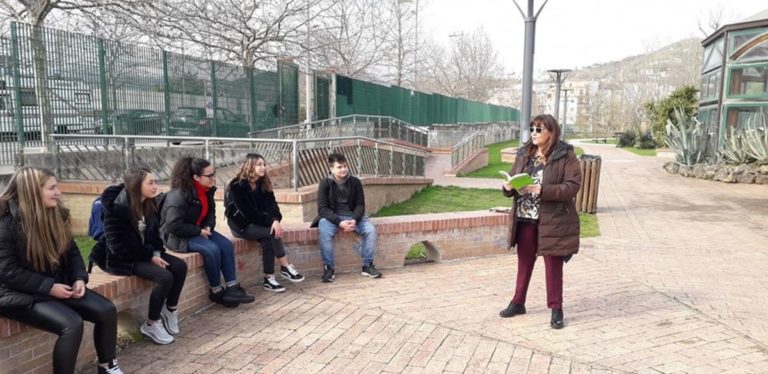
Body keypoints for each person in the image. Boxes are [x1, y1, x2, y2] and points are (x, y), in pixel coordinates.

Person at [0, 167, 122, 374]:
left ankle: (107, 366)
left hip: (54, 285)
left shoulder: (56, 215)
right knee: (71, 325)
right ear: (32, 192)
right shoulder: (6, 225)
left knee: (106, 310)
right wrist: (49, 288)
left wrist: (78, 278)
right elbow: (7, 272)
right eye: (52, 188)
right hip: (18, 293)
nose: (58, 193)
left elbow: (72, 252)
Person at [499, 114, 581, 329]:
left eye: (538, 129)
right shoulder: (525, 153)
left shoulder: (566, 155)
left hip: (552, 219)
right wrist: (508, 187)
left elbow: (572, 186)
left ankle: (556, 308)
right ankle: (518, 302)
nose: (533, 133)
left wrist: (544, 190)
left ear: (551, 133)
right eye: (532, 129)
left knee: (553, 265)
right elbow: (512, 176)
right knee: (524, 261)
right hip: (525, 216)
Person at [91, 167, 188, 345]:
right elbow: (119, 247)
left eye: (155, 182)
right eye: (150, 183)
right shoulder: (115, 209)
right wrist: (150, 255)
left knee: (180, 266)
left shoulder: (149, 204)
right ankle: (152, 323)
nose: (155, 186)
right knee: (164, 277)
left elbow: (155, 236)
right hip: (120, 259)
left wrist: (156, 252)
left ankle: (170, 309)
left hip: (143, 253)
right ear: (136, 186)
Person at [160, 157, 254, 308]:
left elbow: (210, 213)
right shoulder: (179, 195)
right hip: (177, 235)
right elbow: (172, 226)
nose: (213, 178)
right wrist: (198, 231)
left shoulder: (207, 190)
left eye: (214, 174)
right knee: (212, 250)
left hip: (198, 230)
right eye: (209, 176)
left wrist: (209, 226)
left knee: (226, 245)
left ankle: (232, 287)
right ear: (196, 177)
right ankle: (216, 291)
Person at [225, 153, 304, 293]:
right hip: (241, 226)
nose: (263, 167)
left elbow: (272, 206)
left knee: (268, 240)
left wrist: (275, 220)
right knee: (272, 233)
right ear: (250, 166)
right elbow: (248, 213)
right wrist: (271, 222)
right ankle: (285, 266)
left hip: (258, 224)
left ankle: (269, 278)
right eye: (259, 164)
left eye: (264, 164)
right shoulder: (237, 186)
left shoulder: (263, 183)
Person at [312, 153, 381, 283]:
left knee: (370, 230)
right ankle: (329, 268)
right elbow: (322, 209)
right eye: (339, 167)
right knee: (324, 232)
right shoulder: (325, 183)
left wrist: (354, 219)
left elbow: (360, 205)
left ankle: (367, 265)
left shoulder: (355, 182)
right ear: (331, 169)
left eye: (345, 166)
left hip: (353, 216)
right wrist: (339, 222)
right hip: (332, 217)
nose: (343, 169)